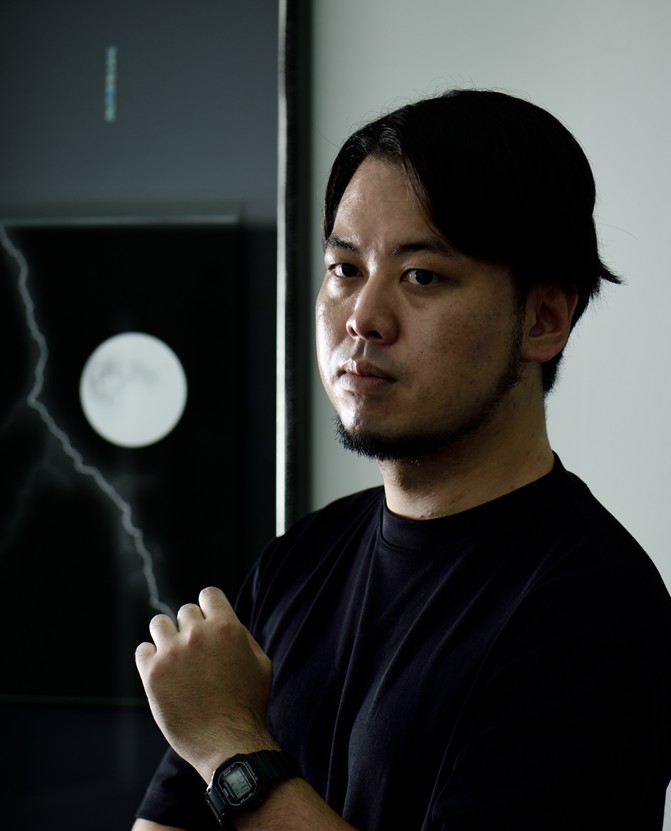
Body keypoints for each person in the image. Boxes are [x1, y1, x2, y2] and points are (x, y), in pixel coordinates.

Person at [131, 88, 671, 830]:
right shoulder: (299, 560)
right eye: (344, 268)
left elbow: (219, 747)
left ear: (544, 318)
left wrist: (230, 748)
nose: (362, 317)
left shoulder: (591, 610)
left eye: (421, 276)